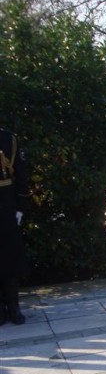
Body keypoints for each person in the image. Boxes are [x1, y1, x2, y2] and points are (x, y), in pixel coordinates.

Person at [0, 128, 29, 325]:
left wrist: (21, 206)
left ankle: (13, 304)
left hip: (6, 203)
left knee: (10, 256)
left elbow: (20, 173)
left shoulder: (8, 139)